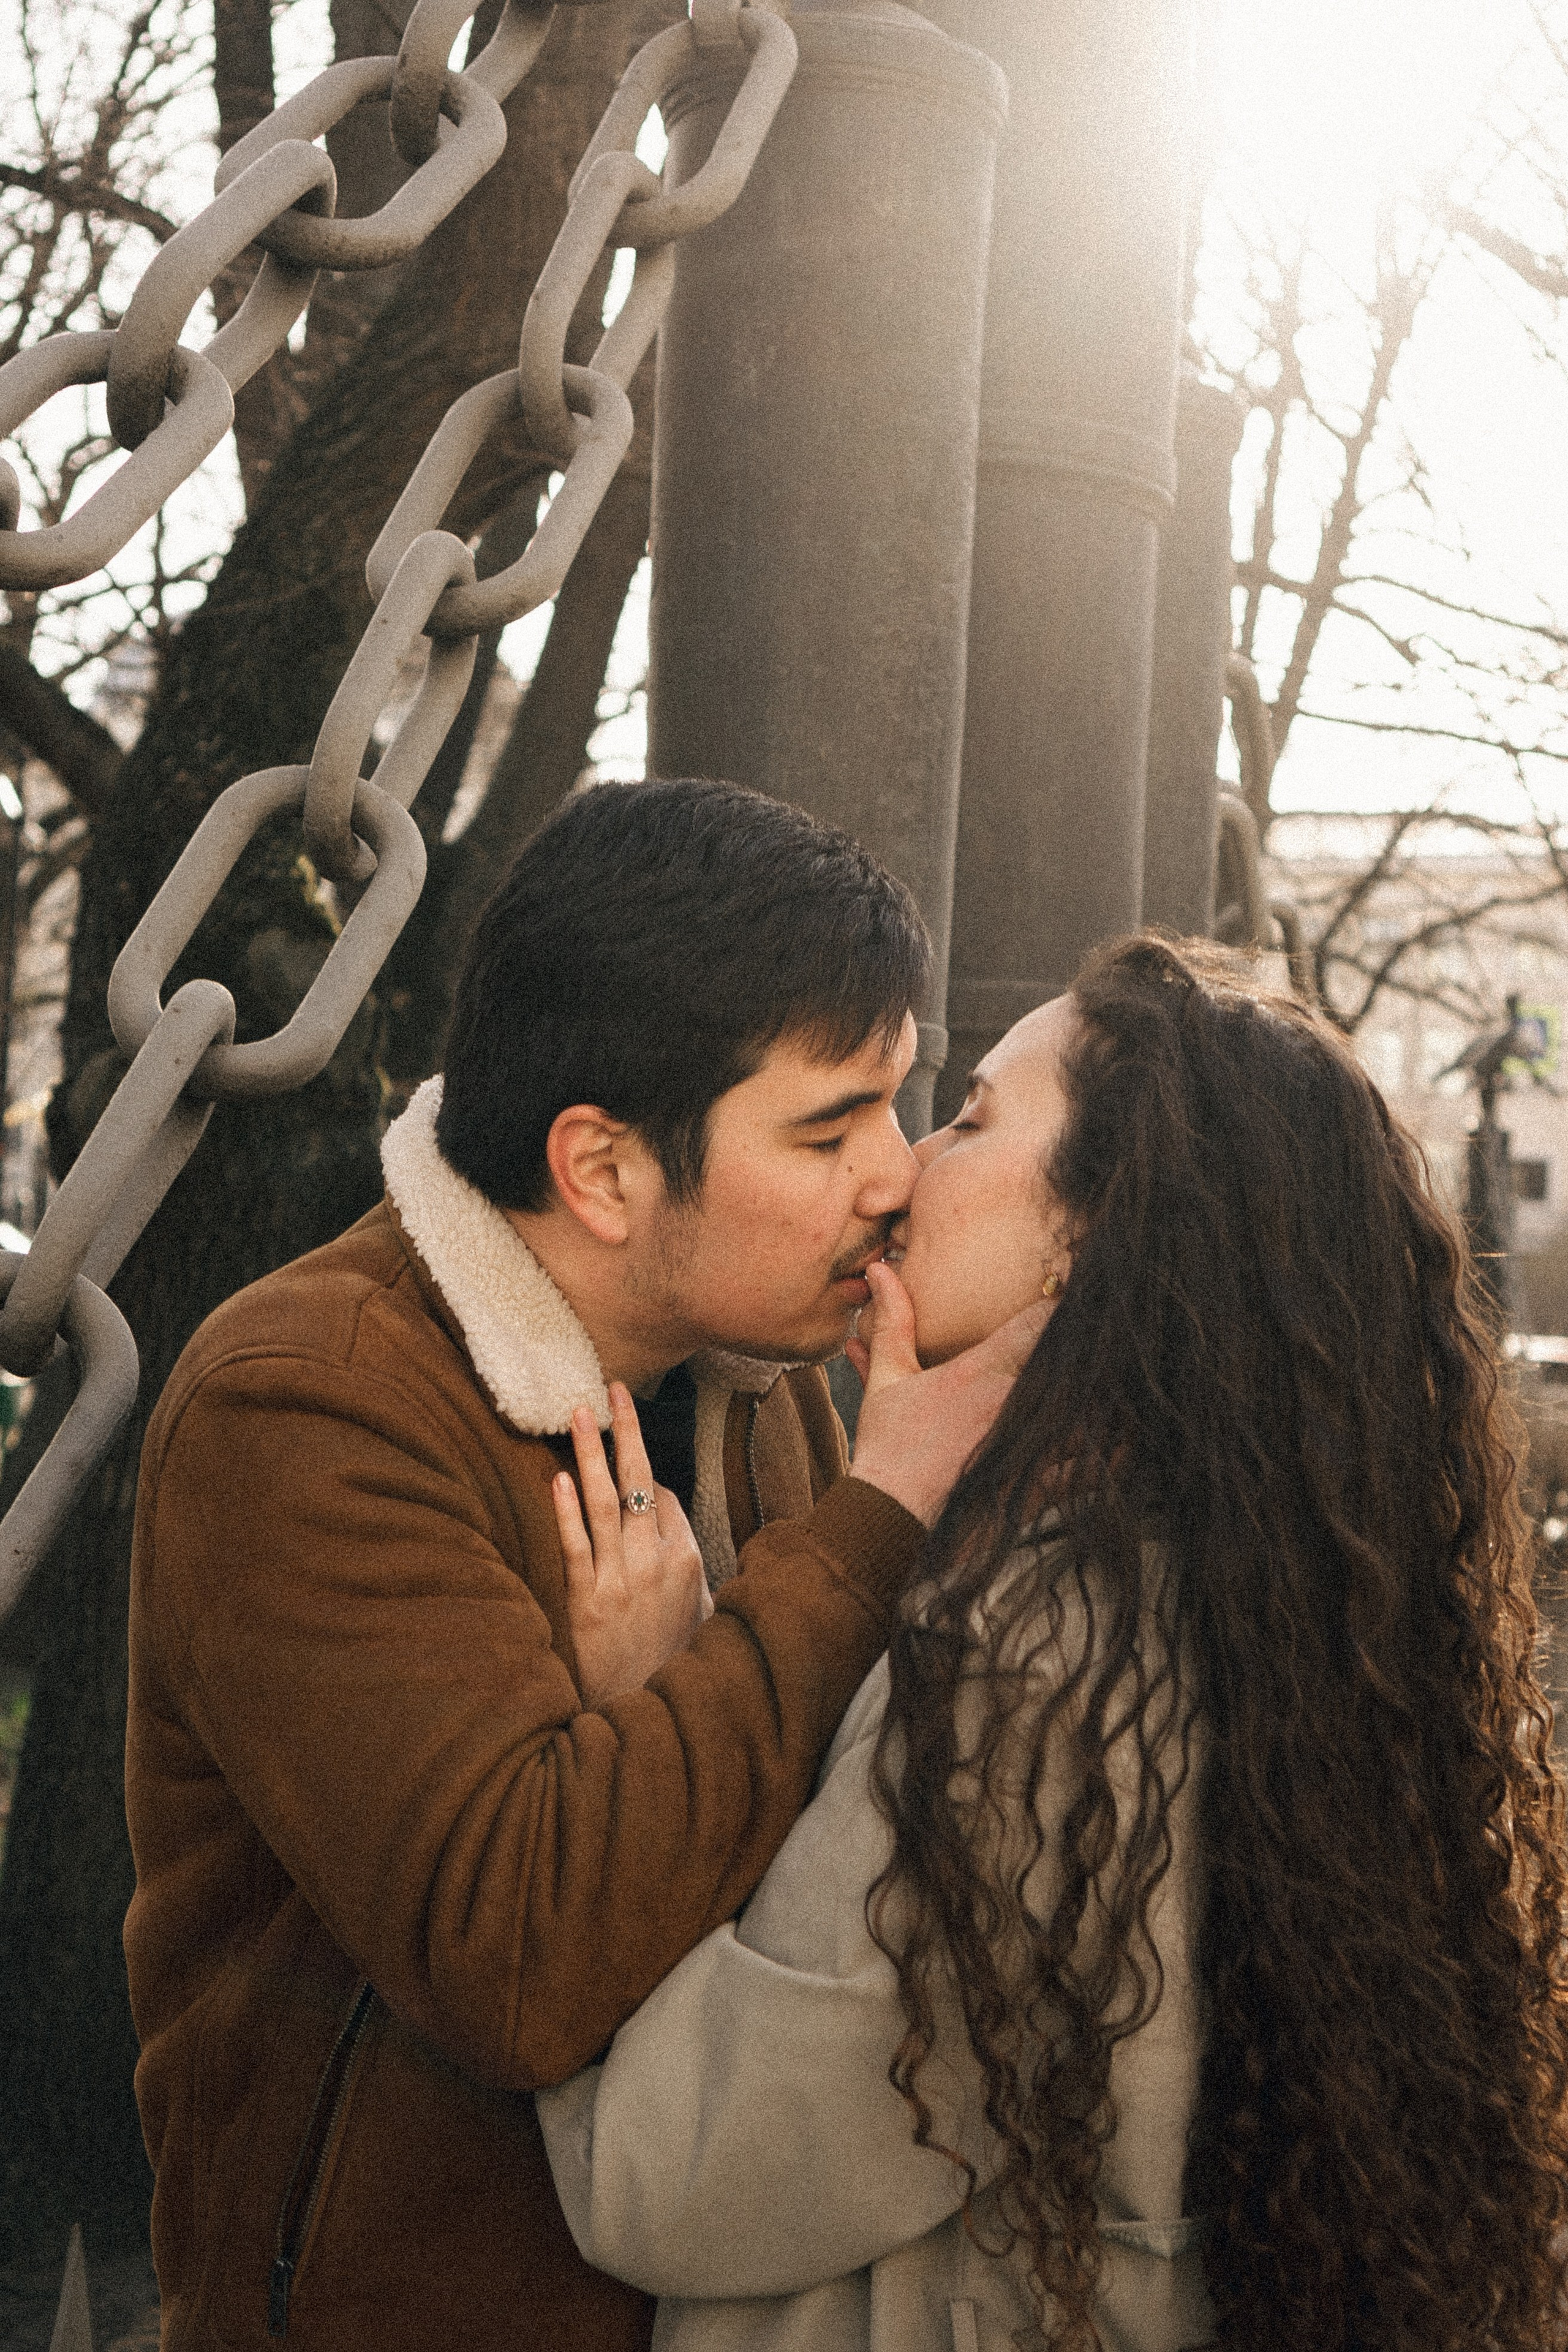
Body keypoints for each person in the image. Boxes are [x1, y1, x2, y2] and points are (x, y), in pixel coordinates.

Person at [538, 932, 1568, 2352]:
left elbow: (665, 2178)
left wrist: (661, 1710)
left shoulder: (1036, 1653)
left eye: (968, 1119)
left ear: (1099, 1229)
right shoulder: (1285, 1596)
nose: (902, 1169)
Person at [122, 779, 1044, 2352]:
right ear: (603, 1169)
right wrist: (874, 1516)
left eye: (903, 1105)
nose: (893, 1175)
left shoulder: (753, 1374)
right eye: (828, 1127)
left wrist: (660, 1705)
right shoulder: (311, 1401)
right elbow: (525, 1961)